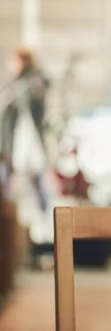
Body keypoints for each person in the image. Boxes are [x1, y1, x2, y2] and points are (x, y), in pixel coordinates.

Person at [0, 47, 50, 213]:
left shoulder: (31, 81)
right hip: (13, 142)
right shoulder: (18, 83)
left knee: (32, 179)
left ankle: (42, 220)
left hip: (24, 141)